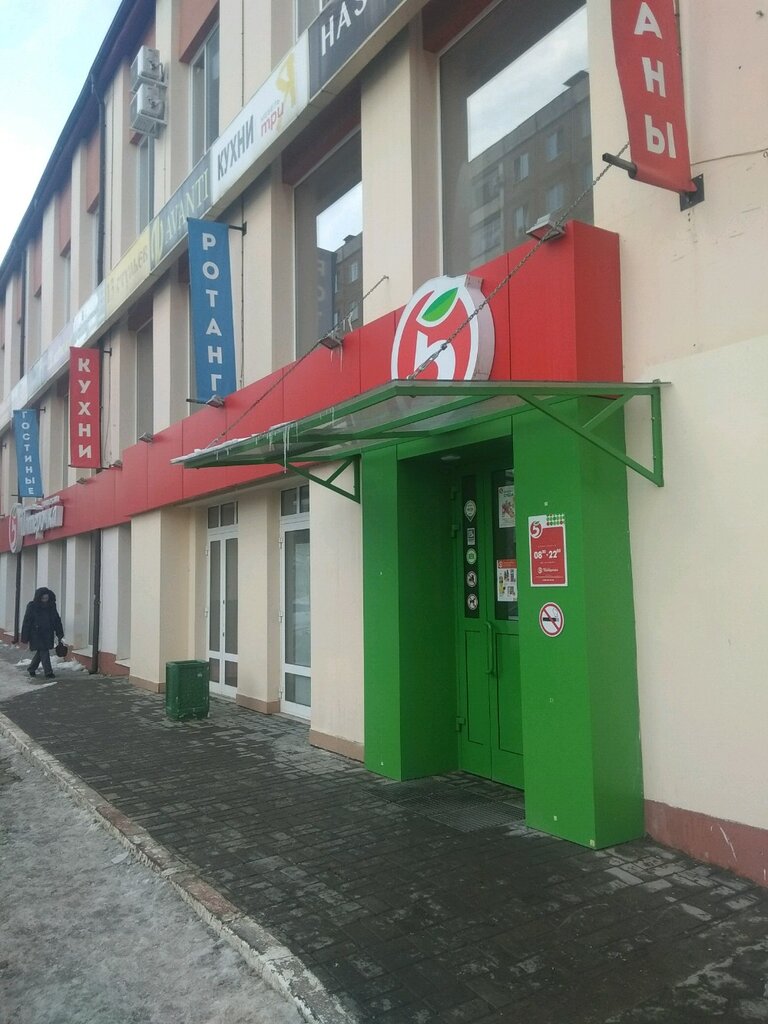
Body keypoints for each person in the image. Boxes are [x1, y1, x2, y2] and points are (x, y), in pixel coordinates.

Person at [20, 587, 64, 680]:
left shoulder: (51, 606)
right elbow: (27, 621)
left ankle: (31, 668)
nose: (45, 600)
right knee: (44, 651)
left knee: (41, 652)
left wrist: (59, 633)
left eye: (46, 598)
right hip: (36, 633)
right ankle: (48, 672)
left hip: (48, 633)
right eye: (43, 598)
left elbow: (56, 619)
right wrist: (25, 636)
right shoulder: (32, 606)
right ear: (39, 597)